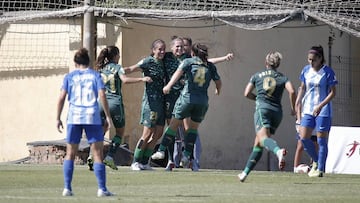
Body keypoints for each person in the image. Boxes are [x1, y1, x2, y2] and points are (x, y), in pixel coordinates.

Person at [151, 43, 222, 169]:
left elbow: (176, 75)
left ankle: (161, 150)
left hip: (187, 98)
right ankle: (186, 155)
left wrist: (168, 86)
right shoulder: (210, 66)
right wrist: (218, 90)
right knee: (193, 129)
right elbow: (218, 82)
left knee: (173, 125)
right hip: (202, 102)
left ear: (193, 53)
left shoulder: (188, 62)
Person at [56, 48, 114, 197]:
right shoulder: (95, 76)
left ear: (75, 63)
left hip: (74, 117)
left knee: (70, 153)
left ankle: (67, 188)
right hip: (91, 116)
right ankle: (102, 189)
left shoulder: (69, 77)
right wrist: (108, 116)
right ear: (89, 62)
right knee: (97, 153)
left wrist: (58, 117)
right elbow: (102, 95)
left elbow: (62, 97)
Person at [87, 46, 153, 171]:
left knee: (101, 131)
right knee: (119, 133)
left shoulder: (100, 68)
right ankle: (110, 157)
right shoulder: (117, 68)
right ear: (116, 55)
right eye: (119, 55)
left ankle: (92, 155)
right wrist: (142, 78)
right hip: (115, 104)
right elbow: (125, 80)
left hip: (100, 103)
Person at [238, 51, 296, 182]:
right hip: (277, 112)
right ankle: (245, 173)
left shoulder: (257, 75)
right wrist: (293, 108)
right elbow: (292, 91)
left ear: (266, 63)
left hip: (262, 110)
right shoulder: (282, 77)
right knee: (258, 143)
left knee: (263, 138)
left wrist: (257, 99)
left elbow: (246, 93)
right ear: (278, 64)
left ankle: (277, 151)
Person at [177, 37, 233, 171]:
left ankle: (193, 161)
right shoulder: (177, 58)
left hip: (190, 97)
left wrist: (224, 58)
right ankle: (176, 161)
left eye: (185, 46)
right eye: (180, 45)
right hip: (180, 97)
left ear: (190, 48)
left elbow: (208, 62)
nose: (182, 48)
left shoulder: (194, 60)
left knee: (190, 131)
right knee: (179, 133)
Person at [124, 39, 166, 171]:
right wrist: (118, 70)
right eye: (159, 49)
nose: (162, 52)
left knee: (158, 133)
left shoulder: (163, 63)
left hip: (161, 103)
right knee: (147, 134)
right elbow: (131, 68)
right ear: (153, 50)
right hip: (150, 103)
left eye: (163, 49)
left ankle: (144, 162)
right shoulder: (148, 61)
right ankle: (135, 162)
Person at [296, 45, 337, 177]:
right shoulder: (306, 70)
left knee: (321, 141)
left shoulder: (328, 72)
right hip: (308, 109)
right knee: (303, 138)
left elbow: (333, 92)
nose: (311, 62)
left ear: (320, 58)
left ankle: (320, 169)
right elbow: (302, 87)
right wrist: (298, 100)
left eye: (313, 60)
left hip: (323, 110)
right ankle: (317, 161)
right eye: (309, 59)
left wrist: (320, 105)